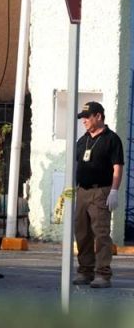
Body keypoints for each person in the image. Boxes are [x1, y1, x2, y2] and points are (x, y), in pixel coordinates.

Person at [72, 101, 124, 289]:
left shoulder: (112, 139)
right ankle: (85, 271)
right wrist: (70, 190)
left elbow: (117, 167)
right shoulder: (82, 140)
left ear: (99, 116)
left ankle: (103, 274)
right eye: (83, 118)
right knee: (82, 234)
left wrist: (114, 190)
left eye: (87, 117)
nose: (84, 121)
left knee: (101, 234)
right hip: (82, 191)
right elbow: (75, 165)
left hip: (101, 191)